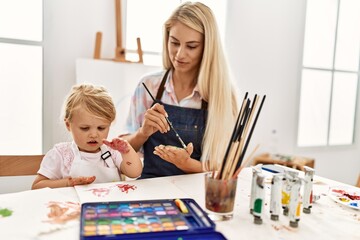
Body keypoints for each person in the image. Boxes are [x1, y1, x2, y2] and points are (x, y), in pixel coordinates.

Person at [121, 2, 239, 179]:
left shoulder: (221, 96)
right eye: (174, 42)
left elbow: (225, 169)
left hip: (196, 196)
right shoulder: (148, 85)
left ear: (208, 48)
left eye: (191, 46)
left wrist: (187, 164)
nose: (179, 54)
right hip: (149, 189)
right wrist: (142, 133)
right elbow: (120, 152)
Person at [32, 84, 142, 189]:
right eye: (85, 128)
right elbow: (37, 186)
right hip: (75, 207)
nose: (94, 135)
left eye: (101, 128)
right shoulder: (61, 154)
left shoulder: (112, 152)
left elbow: (135, 173)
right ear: (68, 125)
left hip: (109, 207)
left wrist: (126, 151)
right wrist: (68, 183)